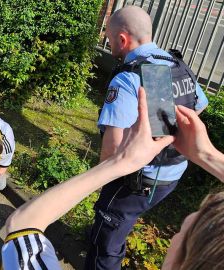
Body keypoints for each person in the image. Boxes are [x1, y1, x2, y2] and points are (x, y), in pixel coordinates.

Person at [1, 87, 224, 270]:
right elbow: (201, 102)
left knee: (107, 240)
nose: (180, 229)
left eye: (182, 231)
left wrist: (122, 161)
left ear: (181, 262)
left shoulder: (126, 78)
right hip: (163, 184)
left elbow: (22, 224)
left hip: (131, 183)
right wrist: (208, 155)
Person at [87, 6, 208, 269]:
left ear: (122, 39)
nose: (108, 43)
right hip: (173, 173)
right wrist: (169, 131)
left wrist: (98, 181)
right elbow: (200, 104)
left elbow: (112, 149)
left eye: (108, 38)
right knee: (122, 224)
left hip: (137, 178)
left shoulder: (131, 76)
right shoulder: (176, 64)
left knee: (106, 240)